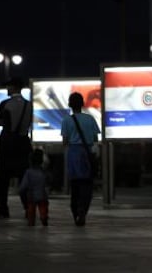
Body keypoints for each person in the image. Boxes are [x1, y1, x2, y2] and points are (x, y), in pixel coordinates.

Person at [0, 77, 32, 219]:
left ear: (14, 87)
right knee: (24, 178)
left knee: (3, 180)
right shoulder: (29, 105)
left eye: (8, 86)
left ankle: (3, 210)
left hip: (7, 145)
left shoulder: (5, 104)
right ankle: (28, 207)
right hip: (23, 144)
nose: (7, 89)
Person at [61, 92, 100, 226]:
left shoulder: (66, 120)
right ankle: (83, 210)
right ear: (83, 104)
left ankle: (76, 211)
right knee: (87, 184)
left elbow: (65, 141)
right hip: (87, 153)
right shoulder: (90, 119)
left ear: (70, 105)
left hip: (73, 153)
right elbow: (95, 139)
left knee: (75, 185)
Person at [19, 149, 49, 226]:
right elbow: (47, 182)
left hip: (31, 195)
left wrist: (22, 192)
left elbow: (24, 186)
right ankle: (43, 217)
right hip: (42, 195)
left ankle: (31, 221)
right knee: (43, 207)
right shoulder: (43, 172)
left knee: (31, 210)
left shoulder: (28, 172)